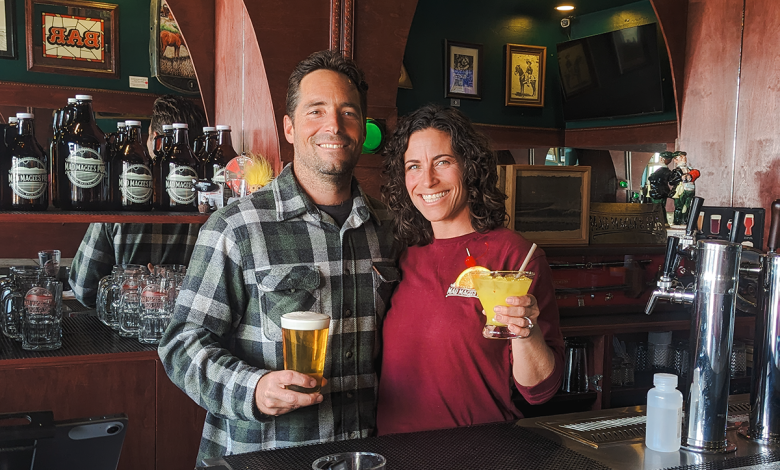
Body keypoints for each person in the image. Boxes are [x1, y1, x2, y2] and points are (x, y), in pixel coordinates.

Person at [157, 50, 401, 463]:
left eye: (348, 113)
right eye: (316, 111)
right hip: (265, 456)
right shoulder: (236, 226)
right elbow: (181, 345)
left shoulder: (390, 229)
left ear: (363, 129)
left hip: (362, 454)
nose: (333, 126)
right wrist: (254, 389)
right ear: (289, 127)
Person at [376, 104, 564, 435]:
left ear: (469, 167)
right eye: (414, 166)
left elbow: (540, 391)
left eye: (443, 162)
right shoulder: (400, 252)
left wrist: (526, 331)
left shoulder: (514, 256)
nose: (427, 180)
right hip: (394, 450)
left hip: (476, 448)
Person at [69, 95, 206, 307]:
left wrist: (132, 291)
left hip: (126, 322)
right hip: (189, 325)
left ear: (156, 138)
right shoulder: (212, 206)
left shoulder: (117, 204)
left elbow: (83, 289)